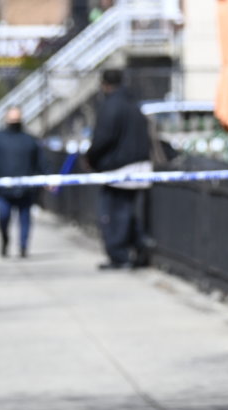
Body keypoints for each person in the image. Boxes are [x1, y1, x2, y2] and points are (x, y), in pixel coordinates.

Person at [86, 69, 152, 270]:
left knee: (114, 214)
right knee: (129, 212)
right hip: (139, 165)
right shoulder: (133, 104)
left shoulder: (110, 106)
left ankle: (119, 255)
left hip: (118, 168)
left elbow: (103, 138)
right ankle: (137, 247)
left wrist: (91, 158)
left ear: (105, 84)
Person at [0, 108, 45, 258]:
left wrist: (48, 178)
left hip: (26, 189)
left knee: (25, 220)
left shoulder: (30, 139)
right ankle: (5, 239)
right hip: (4, 190)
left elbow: (41, 161)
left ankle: (23, 247)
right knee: (3, 218)